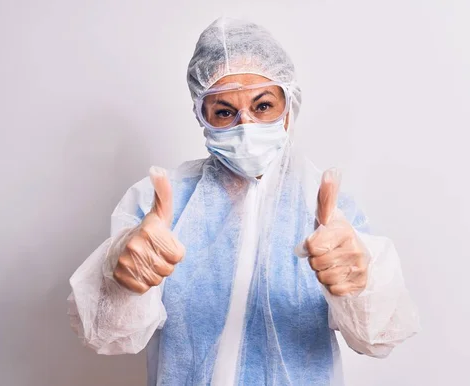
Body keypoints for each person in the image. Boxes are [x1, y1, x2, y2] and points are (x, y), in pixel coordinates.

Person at [67, 17, 420, 386]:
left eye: (263, 105)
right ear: (201, 116)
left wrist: (361, 284)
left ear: (289, 107)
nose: (246, 125)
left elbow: (379, 337)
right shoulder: (161, 204)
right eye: (224, 111)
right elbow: (108, 335)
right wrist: (121, 282)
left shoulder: (328, 210)